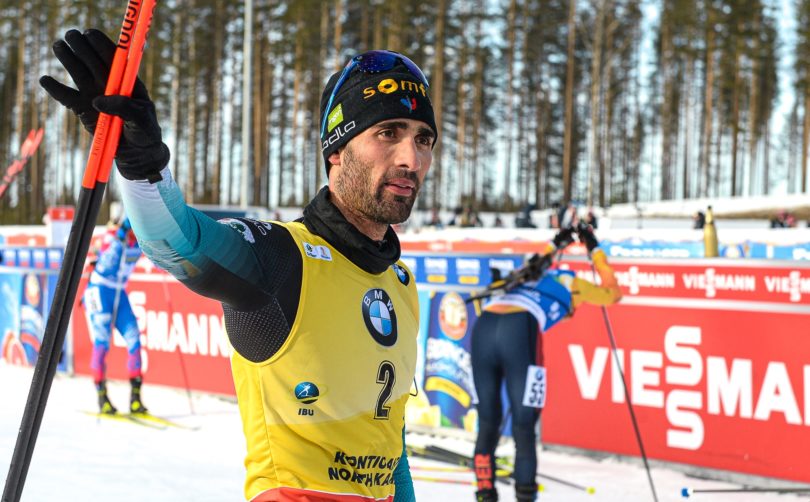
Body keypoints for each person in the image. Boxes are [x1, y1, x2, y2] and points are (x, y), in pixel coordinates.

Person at [42, 29, 436, 502]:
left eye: (424, 139)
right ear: (336, 152)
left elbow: (393, 451)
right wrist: (142, 162)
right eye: (387, 134)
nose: (411, 159)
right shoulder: (282, 257)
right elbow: (174, 239)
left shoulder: (401, 282)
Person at [469, 222, 622, 502]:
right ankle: (525, 496)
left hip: (483, 328)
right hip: (520, 330)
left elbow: (543, 258)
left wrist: (557, 243)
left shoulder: (525, 273)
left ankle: (484, 494)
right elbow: (613, 292)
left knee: (488, 421)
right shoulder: (572, 282)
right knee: (524, 426)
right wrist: (595, 251)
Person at [81, 217, 147, 415]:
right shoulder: (112, 236)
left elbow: (157, 258)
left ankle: (135, 399)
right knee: (102, 343)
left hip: (120, 292)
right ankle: (102, 397)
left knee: (134, 340)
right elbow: (106, 264)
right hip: (100, 291)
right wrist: (120, 239)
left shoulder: (141, 240)